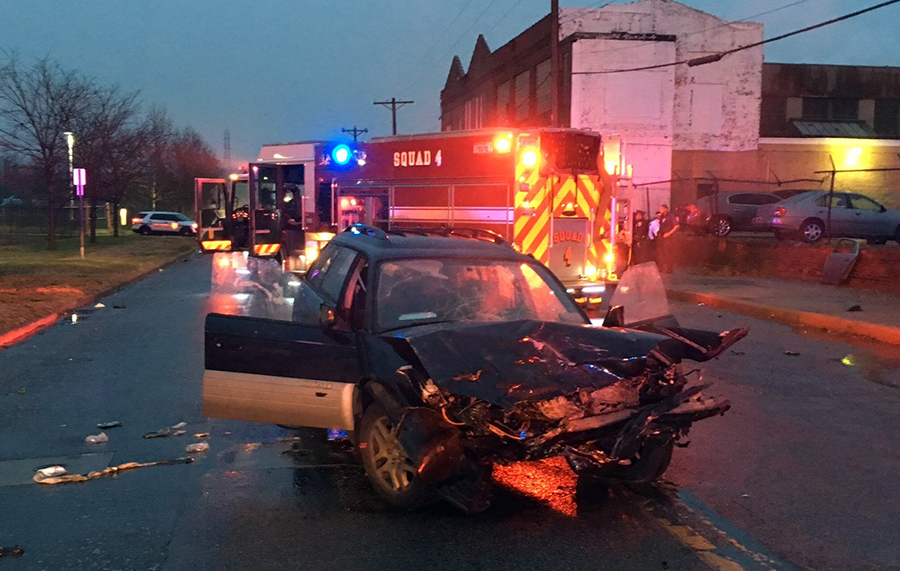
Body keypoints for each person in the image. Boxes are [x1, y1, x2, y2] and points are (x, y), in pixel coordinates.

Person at [655, 204, 680, 274]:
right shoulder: (661, 217)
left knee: (668, 253)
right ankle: (661, 268)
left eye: (661, 209)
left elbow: (677, 226)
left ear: (665, 209)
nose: (660, 210)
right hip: (661, 237)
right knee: (660, 253)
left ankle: (669, 269)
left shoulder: (670, 216)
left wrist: (669, 233)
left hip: (668, 237)